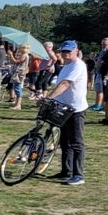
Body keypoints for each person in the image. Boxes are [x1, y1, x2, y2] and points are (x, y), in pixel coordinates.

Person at [47, 41, 88, 185]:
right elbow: (59, 84)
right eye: (64, 51)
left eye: (69, 51)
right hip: (64, 108)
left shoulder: (78, 65)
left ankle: (78, 175)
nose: (66, 54)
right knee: (65, 142)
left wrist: (49, 97)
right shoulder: (66, 65)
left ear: (76, 51)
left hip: (75, 109)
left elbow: (65, 84)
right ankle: (66, 171)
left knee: (77, 142)